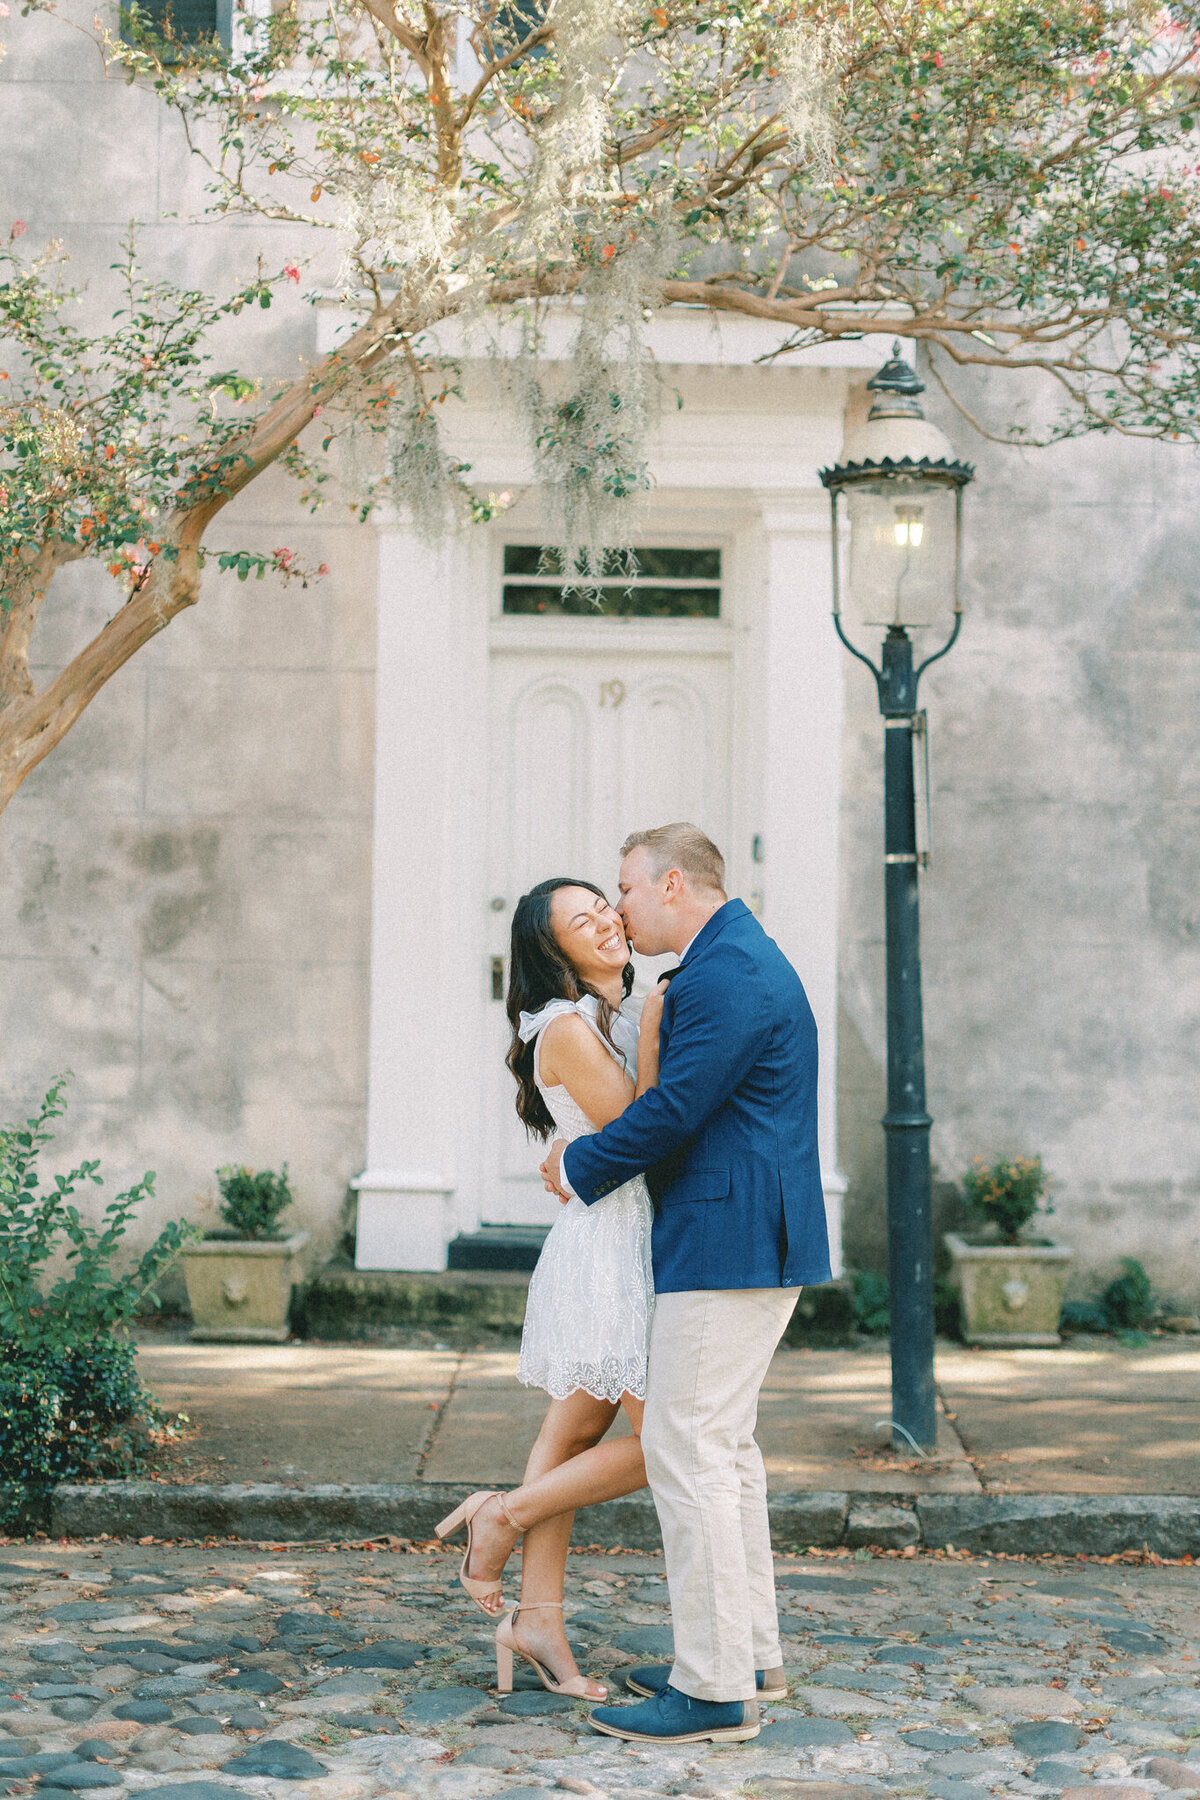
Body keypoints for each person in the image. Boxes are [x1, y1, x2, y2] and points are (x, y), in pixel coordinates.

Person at [540, 823, 832, 1747]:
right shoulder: (728, 959)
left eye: (625, 890)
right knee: (724, 1451)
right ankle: (748, 1659)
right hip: (740, 1233)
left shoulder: (726, 971)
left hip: (731, 1238)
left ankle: (710, 1691)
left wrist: (578, 1164)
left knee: (687, 1448)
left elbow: (673, 1110)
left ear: (672, 884)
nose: (619, 908)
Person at [436, 876, 665, 1701]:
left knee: (568, 1442)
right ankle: (502, 1513)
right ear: (552, 950)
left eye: (605, 903)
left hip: (614, 1239)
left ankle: (537, 1621)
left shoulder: (602, 1014)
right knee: (667, 1444)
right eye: (582, 920)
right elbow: (646, 1127)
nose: (606, 919)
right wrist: (662, 1020)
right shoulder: (566, 1028)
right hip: (614, 1251)